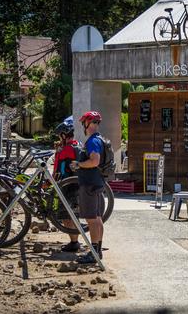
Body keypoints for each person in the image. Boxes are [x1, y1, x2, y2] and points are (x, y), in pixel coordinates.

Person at [69, 111, 106, 264]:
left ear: (87, 123)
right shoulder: (99, 139)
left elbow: (95, 161)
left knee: (91, 219)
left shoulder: (92, 141)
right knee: (97, 218)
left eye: (84, 122)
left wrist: (78, 164)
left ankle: (93, 253)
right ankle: (97, 251)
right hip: (96, 182)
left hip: (89, 184)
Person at [54, 120, 84, 253]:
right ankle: (75, 240)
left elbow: (57, 169)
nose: (59, 139)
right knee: (74, 214)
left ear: (64, 135)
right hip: (78, 184)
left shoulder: (66, 149)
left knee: (67, 216)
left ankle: (74, 243)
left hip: (68, 185)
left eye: (59, 136)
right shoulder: (77, 145)